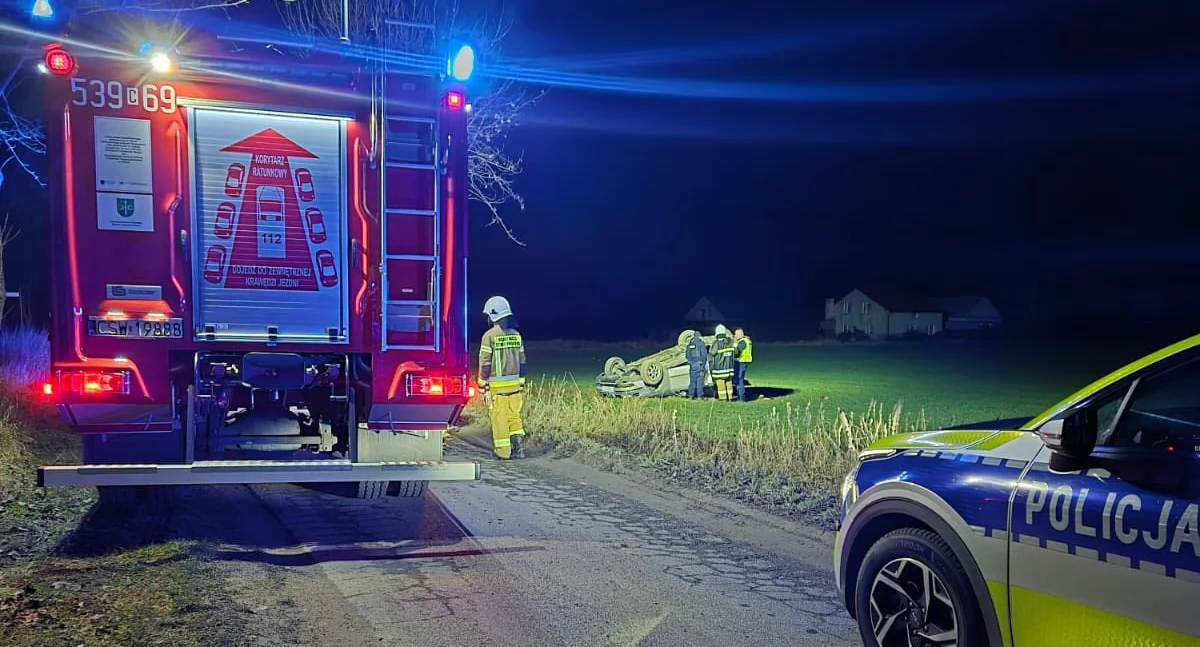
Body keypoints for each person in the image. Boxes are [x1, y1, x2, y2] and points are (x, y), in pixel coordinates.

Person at [478, 296, 527, 459]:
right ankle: (519, 450)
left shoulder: (489, 336)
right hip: (515, 388)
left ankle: (503, 452)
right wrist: (520, 384)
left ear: (492, 315)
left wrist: (482, 386)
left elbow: (485, 364)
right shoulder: (516, 335)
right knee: (514, 418)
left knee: (499, 419)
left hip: (498, 389)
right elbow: (523, 362)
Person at [708, 324, 736, 401]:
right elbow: (736, 352)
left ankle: (723, 398)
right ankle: (730, 397)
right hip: (729, 367)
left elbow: (712, 353)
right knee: (729, 382)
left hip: (719, 368)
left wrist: (710, 348)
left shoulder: (716, 343)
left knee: (720, 383)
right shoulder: (730, 341)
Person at [684, 330, 708, 399]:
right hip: (699, 364)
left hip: (692, 366)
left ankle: (691, 395)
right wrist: (703, 365)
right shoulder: (701, 344)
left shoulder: (690, 345)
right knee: (699, 382)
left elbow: (687, 356)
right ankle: (700, 396)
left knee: (692, 381)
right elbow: (704, 356)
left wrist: (691, 362)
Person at [733, 327, 753, 402]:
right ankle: (741, 396)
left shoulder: (742, 342)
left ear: (740, 334)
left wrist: (735, 345)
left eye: (736, 334)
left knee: (738, 379)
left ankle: (741, 397)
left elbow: (737, 353)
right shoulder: (747, 341)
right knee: (739, 379)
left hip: (740, 362)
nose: (735, 336)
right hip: (744, 361)